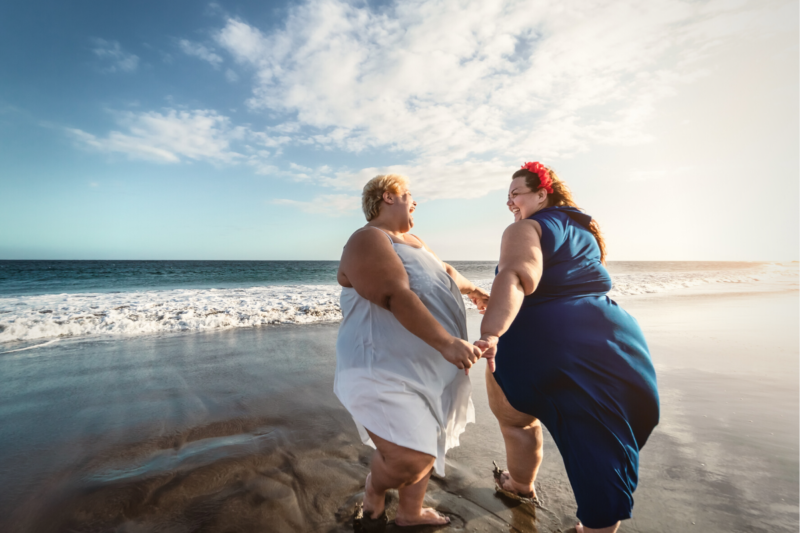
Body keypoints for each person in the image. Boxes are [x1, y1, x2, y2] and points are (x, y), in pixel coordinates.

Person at [475, 162, 660, 533]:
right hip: (610, 336)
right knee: (600, 431)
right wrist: (493, 297)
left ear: (542, 193)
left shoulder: (524, 228)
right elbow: (558, 282)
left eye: (516, 193)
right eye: (507, 197)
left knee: (517, 422)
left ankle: (521, 486)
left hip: (546, 344)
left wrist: (492, 332)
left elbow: (517, 276)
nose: (510, 202)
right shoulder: (583, 230)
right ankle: (597, 525)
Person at [335, 173, 490, 527]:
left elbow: (446, 272)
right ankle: (374, 490)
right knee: (410, 458)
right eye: (409, 195)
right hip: (379, 364)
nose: (415, 202)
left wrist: (474, 290)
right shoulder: (367, 238)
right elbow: (394, 293)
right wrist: (447, 342)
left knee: (427, 436)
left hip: (425, 365)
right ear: (389, 196)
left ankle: (409, 513)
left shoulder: (414, 241)